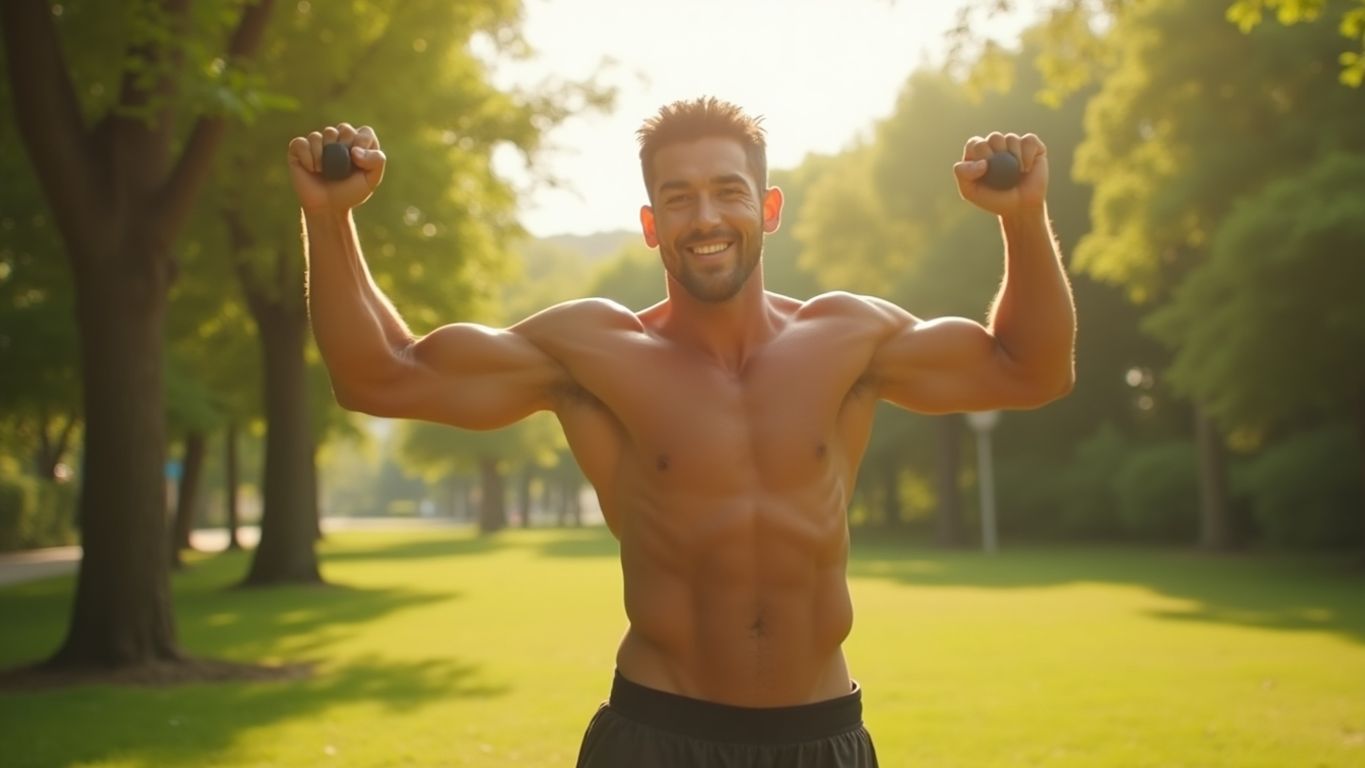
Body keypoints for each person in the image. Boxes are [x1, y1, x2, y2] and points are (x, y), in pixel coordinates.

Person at [287, 96, 1075, 767]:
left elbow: (1030, 370)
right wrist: (329, 217)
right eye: (678, 197)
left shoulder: (848, 339)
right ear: (648, 223)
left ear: (767, 208)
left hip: (820, 736)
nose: (705, 218)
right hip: (660, 735)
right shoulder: (591, 352)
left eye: (728, 192)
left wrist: (1024, 218)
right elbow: (379, 375)